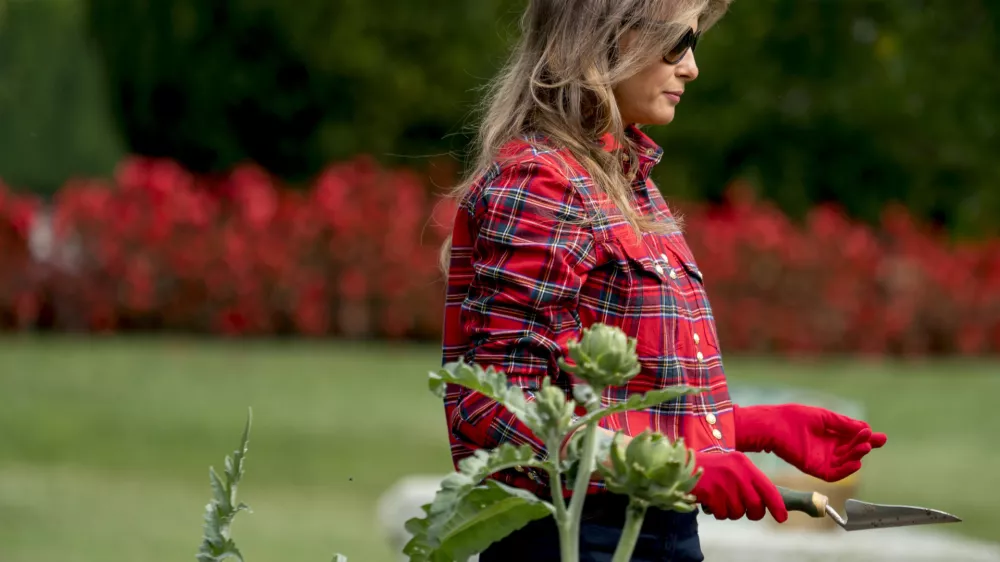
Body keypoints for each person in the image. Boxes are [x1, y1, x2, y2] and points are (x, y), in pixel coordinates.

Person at [437, 0, 888, 560]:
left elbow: (618, 400)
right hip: (576, 539)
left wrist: (747, 427)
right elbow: (495, 408)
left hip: (651, 533)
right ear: (602, 38)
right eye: (678, 43)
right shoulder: (541, 182)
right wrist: (683, 467)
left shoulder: (623, 179)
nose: (692, 67)